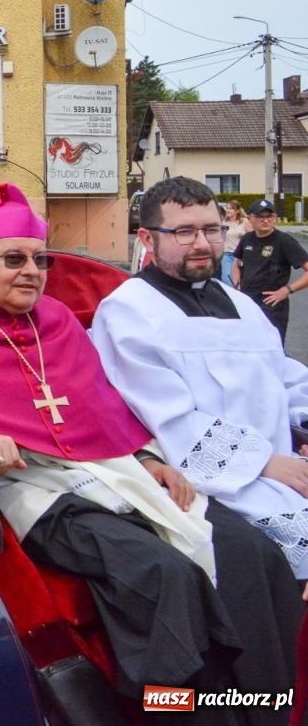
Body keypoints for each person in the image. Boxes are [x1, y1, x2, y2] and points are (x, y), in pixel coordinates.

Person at [0, 184, 301, 713]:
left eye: (39, 260)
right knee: (163, 575)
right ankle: (172, 712)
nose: (31, 271)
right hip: (29, 487)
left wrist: (147, 458)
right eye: (14, 259)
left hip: (110, 471)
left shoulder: (57, 320)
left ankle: (265, 708)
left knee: (251, 551)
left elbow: (103, 406)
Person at [93, 177, 308, 589]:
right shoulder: (128, 310)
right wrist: (263, 462)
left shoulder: (242, 305)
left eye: (211, 230)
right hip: (211, 483)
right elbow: (168, 418)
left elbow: (285, 378)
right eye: (184, 232)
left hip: (283, 466)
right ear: (147, 238)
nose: (201, 244)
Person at [233, 198, 308, 344]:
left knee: (271, 347)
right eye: (260, 217)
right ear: (250, 218)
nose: (265, 220)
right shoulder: (247, 239)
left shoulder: (285, 241)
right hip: (248, 304)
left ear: (275, 218)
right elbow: (236, 263)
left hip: (272, 307)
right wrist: (237, 286)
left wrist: (287, 290)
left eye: (270, 216)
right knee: (248, 345)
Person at [221, 200, 247, 285]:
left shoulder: (244, 221)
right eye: (227, 208)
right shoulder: (223, 222)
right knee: (226, 278)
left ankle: (240, 292)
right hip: (227, 254)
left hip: (241, 256)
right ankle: (231, 293)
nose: (228, 210)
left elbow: (254, 237)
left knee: (241, 278)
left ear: (237, 211)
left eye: (231, 209)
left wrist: (245, 236)